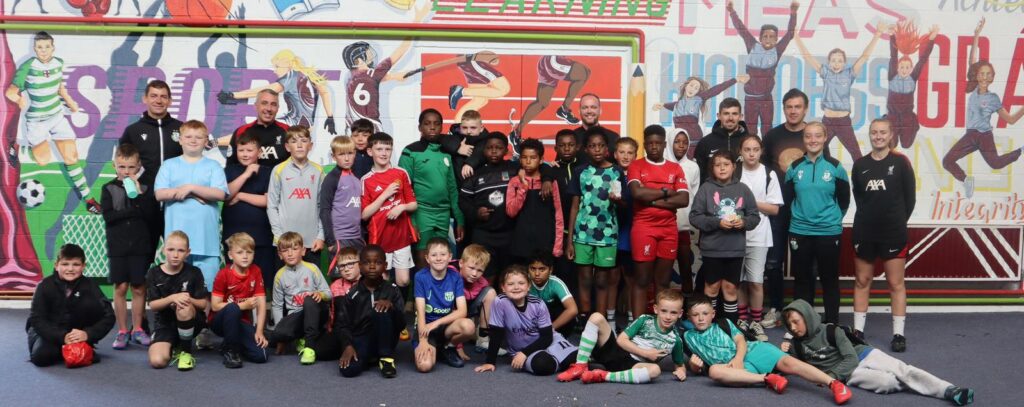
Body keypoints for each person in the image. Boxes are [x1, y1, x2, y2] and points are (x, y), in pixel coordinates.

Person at [783, 300, 975, 406]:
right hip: (850, 375)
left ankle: (949, 390)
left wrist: (831, 378)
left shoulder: (832, 331)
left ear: (807, 317)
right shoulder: (796, 346)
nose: (793, 327)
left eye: (797, 321)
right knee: (887, 383)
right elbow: (791, 368)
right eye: (789, 324)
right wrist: (785, 353)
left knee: (903, 370)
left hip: (862, 355)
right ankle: (914, 384)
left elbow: (850, 358)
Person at [683, 296, 853, 405]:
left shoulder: (724, 322)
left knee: (789, 362)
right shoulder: (688, 337)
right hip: (732, 368)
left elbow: (741, 340)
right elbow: (697, 367)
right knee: (714, 371)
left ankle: (834, 384)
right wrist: (694, 366)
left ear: (712, 314)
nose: (701, 318)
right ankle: (767, 378)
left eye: (705, 313)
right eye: (695, 315)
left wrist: (739, 359)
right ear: (689, 317)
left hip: (751, 351)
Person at [6, 31, 99, 213]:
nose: (43, 51)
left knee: (71, 158)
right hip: (37, 121)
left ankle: (89, 200)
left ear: (52, 47)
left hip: (57, 117)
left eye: (47, 47)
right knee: (42, 160)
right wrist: (18, 99)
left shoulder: (58, 63)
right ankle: (17, 147)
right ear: (35, 48)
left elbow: (59, 86)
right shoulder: (28, 66)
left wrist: (70, 102)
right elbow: (11, 91)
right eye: (40, 47)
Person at [851, 119, 916, 352]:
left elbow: (910, 200)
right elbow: (860, 199)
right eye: (874, 132)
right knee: (862, 281)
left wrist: (895, 222)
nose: (878, 136)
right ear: (869, 135)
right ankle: (858, 331)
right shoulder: (860, 165)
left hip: (893, 234)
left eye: (882, 133)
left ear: (891, 135)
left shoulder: (901, 162)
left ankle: (898, 334)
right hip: (864, 232)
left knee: (896, 283)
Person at [942, 17, 1024, 198]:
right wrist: (976, 35)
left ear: (992, 77)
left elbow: (1010, 119)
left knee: (995, 164)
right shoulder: (973, 89)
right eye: (982, 73)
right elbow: (973, 60)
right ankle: (966, 180)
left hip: (985, 136)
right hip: (971, 135)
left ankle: (1020, 151)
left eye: (989, 74)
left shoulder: (993, 98)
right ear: (977, 75)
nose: (985, 77)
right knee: (947, 161)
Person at [760, 88, 819, 327]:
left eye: (798, 107)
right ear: (783, 109)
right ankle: (775, 307)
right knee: (773, 262)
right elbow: (761, 172)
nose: (793, 111)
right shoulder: (772, 136)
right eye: (789, 107)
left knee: (806, 263)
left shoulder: (813, 135)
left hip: (804, 210)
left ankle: (803, 311)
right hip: (777, 209)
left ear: (805, 109)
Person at [783, 122, 850, 324]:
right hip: (800, 232)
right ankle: (803, 324)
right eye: (808, 136)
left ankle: (832, 325)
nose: (813, 140)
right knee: (802, 280)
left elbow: (844, 201)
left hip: (828, 232)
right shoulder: (794, 168)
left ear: (825, 138)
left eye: (817, 136)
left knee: (829, 279)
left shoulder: (836, 167)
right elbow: (787, 201)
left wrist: (830, 220)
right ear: (803, 139)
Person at [794, 22, 888, 161]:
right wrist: (795, 36)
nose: (836, 63)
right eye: (833, 60)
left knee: (856, 153)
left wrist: (877, 34)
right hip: (827, 121)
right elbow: (808, 57)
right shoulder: (826, 73)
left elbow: (864, 57)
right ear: (829, 62)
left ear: (844, 63)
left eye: (839, 60)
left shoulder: (849, 74)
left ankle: (861, 180)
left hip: (843, 121)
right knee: (817, 153)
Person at [154, 120, 229, 291]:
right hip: (176, 246)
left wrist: (191, 187)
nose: (193, 140)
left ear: (205, 141)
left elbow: (220, 194)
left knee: (207, 291)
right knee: (176, 292)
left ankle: (207, 319)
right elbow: (160, 194)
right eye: (188, 136)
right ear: (180, 140)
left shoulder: (213, 166)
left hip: (206, 242)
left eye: (198, 137)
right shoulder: (169, 165)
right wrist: (197, 194)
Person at [557, 289, 688, 384]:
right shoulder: (644, 320)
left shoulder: (676, 340)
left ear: (680, 313)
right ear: (655, 309)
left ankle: (603, 376)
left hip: (633, 367)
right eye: (664, 311)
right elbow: (621, 340)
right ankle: (580, 366)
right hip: (617, 352)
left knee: (655, 370)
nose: (668, 316)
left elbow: (679, 364)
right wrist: (646, 353)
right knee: (596, 317)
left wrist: (681, 371)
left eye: (673, 312)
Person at [689, 150, 760, 323]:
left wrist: (742, 222)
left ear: (734, 167)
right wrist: (717, 223)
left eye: (726, 164)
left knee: (730, 289)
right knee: (711, 288)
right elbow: (694, 217)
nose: (722, 168)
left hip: (735, 249)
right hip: (712, 249)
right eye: (717, 165)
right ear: (712, 168)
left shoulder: (743, 189)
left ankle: (730, 327)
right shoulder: (706, 189)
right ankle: (708, 326)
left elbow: (754, 216)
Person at [627, 125, 689, 320]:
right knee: (642, 280)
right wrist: (665, 192)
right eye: (650, 143)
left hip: (669, 230)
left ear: (664, 144)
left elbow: (683, 200)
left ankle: (661, 326)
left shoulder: (675, 168)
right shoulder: (636, 166)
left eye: (658, 143)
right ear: (645, 145)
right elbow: (637, 193)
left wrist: (650, 199)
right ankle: (637, 326)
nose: (654, 147)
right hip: (644, 228)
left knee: (663, 281)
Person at [475, 265, 579, 376]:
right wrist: (490, 362)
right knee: (542, 364)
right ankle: (562, 362)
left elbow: (547, 337)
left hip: (547, 341)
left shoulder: (538, 304)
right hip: (521, 350)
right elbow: (496, 334)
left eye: (521, 283)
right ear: (503, 287)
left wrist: (525, 353)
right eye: (510, 284)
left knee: (575, 358)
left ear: (528, 286)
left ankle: (564, 359)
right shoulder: (499, 302)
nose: (516, 287)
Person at [102, 143, 158, 350]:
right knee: (121, 287)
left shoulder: (143, 188)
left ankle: (138, 329)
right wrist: (131, 211)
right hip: (117, 246)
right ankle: (123, 330)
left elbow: (149, 215)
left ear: (138, 167)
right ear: (114, 166)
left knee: (138, 287)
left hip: (140, 245)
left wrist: (137, 193)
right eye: (122, 167)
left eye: (131, 167)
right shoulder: (107, 188)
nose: (126, 172)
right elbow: (109, 217)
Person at [119, 79, 183, 254]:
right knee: (141, 258)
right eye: (153, 96)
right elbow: (122, 167)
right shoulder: (133, 131)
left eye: (163, 96)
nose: (158, 100)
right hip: (144, 204)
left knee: (179, 257)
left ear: (170, 101)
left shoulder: (182, 129)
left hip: (176, 204)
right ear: (144, 99)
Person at [567, 132, 624, 324]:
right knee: (584, 279)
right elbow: (574, 206)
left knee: (602, 280)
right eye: (592, 146)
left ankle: (599, 322)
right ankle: (584, 319)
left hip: (607, 234)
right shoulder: (580, 172)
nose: (597, 149)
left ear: (607, 148)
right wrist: (569, 241)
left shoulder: (617, 172)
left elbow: (625, 204)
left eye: (600, 146)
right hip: (582, 234)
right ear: (586, 149)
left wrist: (619, 201)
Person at [26, 244, 114, 367]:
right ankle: (70, 349)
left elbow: (109, 316)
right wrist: (62, 337)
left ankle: (76, 347)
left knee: (90, 304)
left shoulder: (91, 285)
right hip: (48, 332)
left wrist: (88, 334)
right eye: (65, 264)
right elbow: (37, 319)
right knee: (41, 357)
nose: (70, 269)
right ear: (56, 265)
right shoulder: (44, 286)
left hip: (76, 332)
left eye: (76, 264)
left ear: (84, 266)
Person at [399, 108, 465, 266]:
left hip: (443, 214)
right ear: (420, 127)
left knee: (440, 260)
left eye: (436, 124)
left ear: (442, 127)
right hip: (422, 212)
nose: (432, 127)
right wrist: (412, 222)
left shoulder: (447, 152)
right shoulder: (411, 151)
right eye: (427, 124)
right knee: (423, 260)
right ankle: (421, 291)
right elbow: (404, 188)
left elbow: (452, 188)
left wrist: (459, 219)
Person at [217, 49, 336, 133]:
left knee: (250, 132)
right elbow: (325, 92)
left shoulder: (292, 76)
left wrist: (233, 95)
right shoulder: (308, 75)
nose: (275, 70)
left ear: (288, 64)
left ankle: (214, 142)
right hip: (306, 128)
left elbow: (266, 91)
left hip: (291, 126)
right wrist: (330, 117)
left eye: (277, 66)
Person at [727, 0, 799, 136]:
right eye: (765, 36)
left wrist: (793, 13)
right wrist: (732, 12)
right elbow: (741, 29)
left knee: (767, 129)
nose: (768, 39)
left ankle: (766, 156)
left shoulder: (777, 51)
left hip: (766, 99)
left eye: (772, 37)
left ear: (776, 39)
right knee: (750, 130)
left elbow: (789, 34)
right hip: (750, 99)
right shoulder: (753, 46)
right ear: (760, 38)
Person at [334, 245, 406, 378]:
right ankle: (368, 357)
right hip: (362, 339)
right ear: (360, 266)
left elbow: (401, 324)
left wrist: (392, 307)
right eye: (367, 263)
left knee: (381, 309)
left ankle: (385, 358)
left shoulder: (393, 290)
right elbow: (342, 325)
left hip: (386, 339)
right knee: (348, 370)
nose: (372, 266)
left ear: (385, 265)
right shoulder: (352, 294)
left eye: (378, 263)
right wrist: (347, 346)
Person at [737, 135, 782, 341]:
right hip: (734, 235)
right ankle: (742, 320)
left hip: (759, 235)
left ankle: (756, 321)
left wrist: (749, 201)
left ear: (761, 151)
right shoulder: (734, 171)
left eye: (755, 149)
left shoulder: (768, 174)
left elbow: (773, 208)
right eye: (747, 149)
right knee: (739, 282)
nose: (752, 153)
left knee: (755, 281)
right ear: (741, 151)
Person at [146, 231, 210, 371]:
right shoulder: (154, 273)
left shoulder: (194, 272)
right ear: (163, 250)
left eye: (181, 251)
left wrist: (187, 299)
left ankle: (186, 352)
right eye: (171, 250)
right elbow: (153, 305)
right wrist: (172, 298)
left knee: (184, 307)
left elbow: (203, 304)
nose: (175, 255)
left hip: (192, 321)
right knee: (157, 361)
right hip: (165, 324)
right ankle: (174, 344)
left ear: (188, 252)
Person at [361, 132, 418, 288]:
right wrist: (384, 195)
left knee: (403, 281)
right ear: (370, 151)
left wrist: (402, 207)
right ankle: (385, 310)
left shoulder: (400, 173)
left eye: (388, 149)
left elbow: (413, 204)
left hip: (401, 237)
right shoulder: (366, 180)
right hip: (379, 239)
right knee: (382, 281)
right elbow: (365, 215)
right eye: (379, 149)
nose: (384, 153)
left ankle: (401, 307)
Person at [270, 232, 333, 365]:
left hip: (315, 312)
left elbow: (329, 293)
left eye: (294, 249)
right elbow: (277, 305)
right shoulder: (279, 276)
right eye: (285, 250)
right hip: (296, 317)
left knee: (309, 300)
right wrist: (280, 328)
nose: (290, 253)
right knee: (277, 334)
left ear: (303, 251)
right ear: (280, 255)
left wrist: (320, 294)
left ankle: (309, 346)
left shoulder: (312, 268)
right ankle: (298, 337)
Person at [413, 238, 476, 372]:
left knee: (469, 326)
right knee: (425, 366)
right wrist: (423, 340)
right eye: (434, 255)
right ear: (427, 258)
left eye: (443, 254)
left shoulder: (455, 277)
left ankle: (449, 347)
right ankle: (436, 348)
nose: (439, 258)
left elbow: (462, 311)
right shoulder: (420, 277)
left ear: (450, 257)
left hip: (445, 326)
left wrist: (436, 323)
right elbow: (420, 310)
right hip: (426, 328)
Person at [458, 132, 517, 277]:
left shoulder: (514, 169)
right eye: (490, 148)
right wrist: (475, 212)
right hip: (483, 235)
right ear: (484, 150)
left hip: (509, 233)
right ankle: (488, 300)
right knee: (485, 276)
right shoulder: (476, 174)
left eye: (499, 147)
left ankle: (505, 301)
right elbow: (463, 201)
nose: (494, 151)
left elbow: (539, 169)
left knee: (508, 276)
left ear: (506, 150)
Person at [223, 132, 276, 292]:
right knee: (235, 281)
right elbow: (226, 195)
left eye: (249, 150)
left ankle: (263, 315)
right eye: (241, 150)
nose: (245, 154)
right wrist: (246, 175)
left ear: (259, 152)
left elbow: (267, 201)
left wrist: (240, 195)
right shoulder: (229, 171)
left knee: (263, 282)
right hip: (233, 235)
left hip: (261, 236)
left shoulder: (269, 172)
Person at [209, 233, 269, 369]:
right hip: (220, 321)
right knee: (233, 308)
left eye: (249, 252)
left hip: (241, 322)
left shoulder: (256, 271)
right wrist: (242, 305)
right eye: (240, 252)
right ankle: (231, 351)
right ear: (230, 255)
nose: (245, 256)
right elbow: (215, 306)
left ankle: (231, 343)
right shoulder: (223, 274)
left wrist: (259, 331)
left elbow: (261, 304)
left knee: (261, 356)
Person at [509, 55, 590, 154]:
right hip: (554, 61)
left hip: (547, 61)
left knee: (541, 102)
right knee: (584, 73)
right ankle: (564, 110)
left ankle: (516, 133)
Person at [268, 125, 325, 264]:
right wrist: (279, 237)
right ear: (287, 147)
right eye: (294, 141)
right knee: (285, 283)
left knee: (311, 285)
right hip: (285, 243)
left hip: (312, 242)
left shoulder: (318, 171)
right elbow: (272, 206)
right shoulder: (279, 170)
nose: (299, 145)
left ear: (310, 145)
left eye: (304, 140)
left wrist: (321, 235)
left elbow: (322, 207)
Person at [653, 77, 747, 159]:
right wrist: (662, 105)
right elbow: (671, 105)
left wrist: (735, 80)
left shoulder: (698, 99)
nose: (692, 89)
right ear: (686, 86)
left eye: (696, 88)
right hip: (681, 141)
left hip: (694, 139)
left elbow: (716, 89)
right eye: (691, 85)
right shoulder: (678, 104)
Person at [507, 138, 564, 263]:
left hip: (545, 243)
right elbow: (511, 212)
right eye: (524, 157)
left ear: (541, 160)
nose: (528, 162)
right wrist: (523, 186)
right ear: (520, 159)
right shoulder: (515, 182)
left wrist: (557, 246)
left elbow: (558, 215)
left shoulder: (550, 183)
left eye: (533, 158)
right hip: (521, 243)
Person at [886, 21, 938, 148]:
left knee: (906, 145)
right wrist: (892, 36)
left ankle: (912, 125)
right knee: (891, 145)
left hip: (907, 117)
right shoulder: (892, 76)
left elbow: (923, 59)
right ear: (897, 68)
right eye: (901, 67)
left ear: (911, 69)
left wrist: (931, 40)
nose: (904, 70)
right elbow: (894, 55)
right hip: (893, 117)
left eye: (907, 68)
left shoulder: (912, 78)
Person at [320, 135, 365, 256]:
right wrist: (330, 241)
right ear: (333, 156)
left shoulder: (355, 179)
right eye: (341, 154)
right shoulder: (331, 178)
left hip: (357, 237)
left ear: (355, 153)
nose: (346, 158)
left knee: (358, 274)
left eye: (350, 153)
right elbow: (324, 210)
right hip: (340, 238)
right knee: (341, 274)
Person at [668, 128, 701, 295]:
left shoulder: (693, 167)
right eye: (677, 141)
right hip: (664, 224)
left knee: (685, 267)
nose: (681, 146)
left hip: (683, 225)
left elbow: (693, 196)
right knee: (664, 269)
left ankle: (688, 307)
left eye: (685, 142)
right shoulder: (664, 163)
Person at [222, 89, 291, 168]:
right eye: (264, 103)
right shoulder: (241, 132)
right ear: (256, 106)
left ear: (278, 108)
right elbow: (230, 168)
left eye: (273, 104)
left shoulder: (287, 131)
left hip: (279, 180)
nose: (269, 108)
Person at [612, 138, 638, 324]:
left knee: (631, 278)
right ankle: (610, 321)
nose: (626, 156)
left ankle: (631, 320)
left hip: (631, 232)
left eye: (630, 152)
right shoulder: (609, 173)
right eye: (622, 152)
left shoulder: (639, 175)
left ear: (636, 156)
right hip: (610, 232)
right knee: (611, 277)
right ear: (615, 154)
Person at [456, 244, 498, 356]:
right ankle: (452, 343)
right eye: (471, 268)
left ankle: (483, 339)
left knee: (491, 292)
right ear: (461, 263)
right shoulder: (451, 277)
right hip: (451, 314)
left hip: (468, 312)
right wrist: (459, 347)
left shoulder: (482, 282)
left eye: (480, 270)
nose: (475, 274)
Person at [694, 98, 748, 183]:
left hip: (743, 194)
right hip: (713, 194)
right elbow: (698, 177)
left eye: (734, 114)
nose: (730, 118)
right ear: (719, 116)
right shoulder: (705, 143)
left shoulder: (750, 142)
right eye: (726, 113)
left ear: (740, 116)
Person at [528, 251, 579, 338]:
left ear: (550, 270)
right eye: (533, 269)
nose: (537, 274)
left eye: (542, 269)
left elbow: (573, 310)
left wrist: (550, 329)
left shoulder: (555, 283)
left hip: (553, 322)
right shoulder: (523, 282)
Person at [441, 109, 489, 182]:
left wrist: (470, 163)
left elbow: (481, 149)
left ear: (481, 128)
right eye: (464, 128)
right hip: (456, 188)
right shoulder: (455, 137)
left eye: (473, 128)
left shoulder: (488, 141)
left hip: (480, 186)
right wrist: (458, 148)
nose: (468, 131)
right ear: (460, 127)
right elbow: (439, 138)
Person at [572, 94, 620, 164]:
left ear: (600, 111)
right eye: (585, 107)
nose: (589, 111)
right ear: (579, 111)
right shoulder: (572, 138)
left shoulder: (613, 137)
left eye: (593, 107)